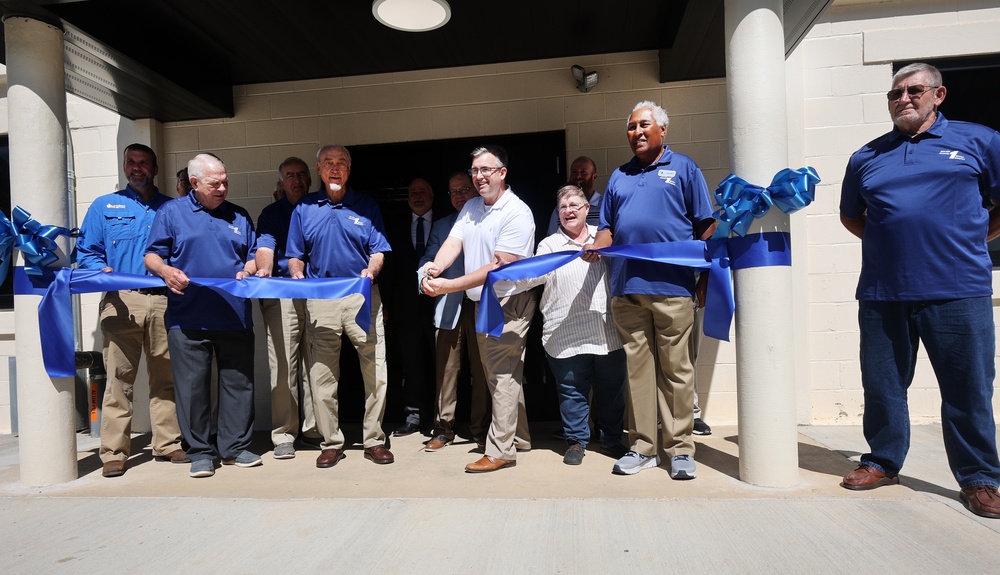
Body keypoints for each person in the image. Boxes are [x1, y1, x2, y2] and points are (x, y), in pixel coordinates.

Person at [839, 62, 1000, 519]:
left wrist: (971, 237)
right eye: (895, 94)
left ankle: (980, 478)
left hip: (958, 289)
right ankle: (883, 460)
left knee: (967, 389)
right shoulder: (867, 156)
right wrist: (891, 242)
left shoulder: (979, 141)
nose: (903, 100)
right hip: (882, 291)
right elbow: (852, 216)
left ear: (938, 94)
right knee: (883, 385)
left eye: (913, 91)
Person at [582, 100, 716, 479]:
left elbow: (706, 226)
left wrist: (704, 277)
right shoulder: (618, 178)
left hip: (673, 287)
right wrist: (597, 247)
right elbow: (607, 228)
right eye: (631, 127)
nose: (637, 132)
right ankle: (643, 447)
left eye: (644, 125)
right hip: (627, 289)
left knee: (676, 371)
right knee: (638, 373)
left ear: (662, 130)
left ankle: (680, 450)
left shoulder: (684, 168)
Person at [144, 153, 261, 478]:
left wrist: (250, 269)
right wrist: (166, 271)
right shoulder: (172, 212)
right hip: (188, 318)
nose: (223, 187)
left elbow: (251, 256)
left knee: (239, 385)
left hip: (234, 317)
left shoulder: (238, 215)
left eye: (225, 181)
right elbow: (152, 255)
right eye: (215, 183)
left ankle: (235, 448)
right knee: (192, 389)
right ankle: (199, 452)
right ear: (194, 183)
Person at [422, 145, 536, 473]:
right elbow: (453, 243)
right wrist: (434, 269)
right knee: (499, 372)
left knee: (500, 374)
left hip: (508, 302)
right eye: (475, 170)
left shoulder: (517, 212)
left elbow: (496, 267)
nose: (479, 176)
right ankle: (520, 437)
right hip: (481, 303)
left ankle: (501, 450)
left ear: (502, 173)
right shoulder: (471, 206)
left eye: (486, 170)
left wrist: (447, 285)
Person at [76, 143, 187, 478]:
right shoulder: (103, 206)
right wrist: (99, 270)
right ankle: (113, 451)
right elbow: (88, 251)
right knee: (118, 380)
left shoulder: (172, 208)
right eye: (131, 163)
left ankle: (167, 443)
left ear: (154, 168)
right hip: (121, 300)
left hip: (164, 300)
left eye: (144, 163)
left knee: (165, 376)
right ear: (125, 167)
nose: (137, 168)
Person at [497, 185, 627, 465]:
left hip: (607, 331)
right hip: (564, 333)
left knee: (611, 390)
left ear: (586, 209)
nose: (568, 211)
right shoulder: (549, 245)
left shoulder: (603, 239)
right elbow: (531, 277)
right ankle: (577, 441)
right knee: (572, 392)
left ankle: (611, 439)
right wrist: (507, 270)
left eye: (573, 205)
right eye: (563, 207)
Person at [285, 144, 395, 468]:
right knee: (321, 375)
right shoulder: (304, 207)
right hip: (321, 299)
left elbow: (378, 251)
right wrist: (297, 273)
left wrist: (371, 271)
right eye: (329, 163)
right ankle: (331, 442)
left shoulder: (366, 206)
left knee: (376, 370)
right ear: (318, 169)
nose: (335, 168)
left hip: (361, 296)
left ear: (349, 169)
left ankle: (374, 439)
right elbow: (295, 254)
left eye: (342, 163)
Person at [253, 157, 322, 460]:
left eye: (301, 175)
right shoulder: (272, 213)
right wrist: (264, 270)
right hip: (281, 293)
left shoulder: (321, 209)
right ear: (281, 182)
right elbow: (265, 246)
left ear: (310, 180)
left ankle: (314, 429)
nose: (296, 180)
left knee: (317, 365)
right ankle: (283, 433)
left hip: (318, 294)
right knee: (282, 365)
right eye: (290, 175)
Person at [421, 172, 490, 452]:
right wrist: (424, 275)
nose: (459, 195)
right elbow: (428, 259)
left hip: (482, 303)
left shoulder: (487, 220)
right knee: (446, 371)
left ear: (475, 190)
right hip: (449, 307)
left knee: (482, 370)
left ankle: (482, 429)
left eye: (464, 189)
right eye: (453, 192)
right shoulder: (441, 226)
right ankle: (442, 429)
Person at [384, 178, 438, 438]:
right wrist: (385, 305)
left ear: (432, 195)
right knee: (411, 364)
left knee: (443, 364)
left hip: (440, 306)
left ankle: (443, 417)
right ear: (407, 198)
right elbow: (389, 270)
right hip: (405, 309)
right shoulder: (394, 226)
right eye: (413, 192)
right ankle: (413, 416)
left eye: (423, 192)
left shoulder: (447, 223)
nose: (418, 196)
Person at [545, 156, 602, 235]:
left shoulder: (605, 206)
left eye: (583, 173)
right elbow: (551, 237)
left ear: (594, 177)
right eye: (574, 172)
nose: (578, 177)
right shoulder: (559, 209)